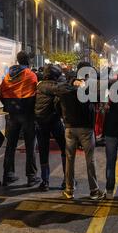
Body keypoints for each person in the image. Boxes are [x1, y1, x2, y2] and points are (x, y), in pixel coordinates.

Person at [54, 62, 105, 200]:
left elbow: (57, 101)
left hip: (69, 127)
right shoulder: (89, 87)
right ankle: (94, 191)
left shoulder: (65, 86)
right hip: (86, 129)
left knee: (70, 159)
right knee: (90, 160)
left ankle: (69, 190)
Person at [0, 51, 40, 187]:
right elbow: (35, 93)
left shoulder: (8, 76)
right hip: (28, 114)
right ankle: (31, 177)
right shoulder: (30, 74)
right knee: (30, 146)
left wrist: (8, 105)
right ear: (28, 61)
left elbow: (1, 92)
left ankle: (8, 175)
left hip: (12, 115)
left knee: (10, 146)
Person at [34, 64, 67, 192]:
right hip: (53, 120)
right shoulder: (56, 87)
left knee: (43, 150)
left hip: (40, 121)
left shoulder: (39, 85)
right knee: (65, 148)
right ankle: (67, 180)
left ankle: (45, 181)